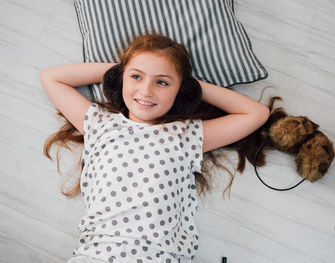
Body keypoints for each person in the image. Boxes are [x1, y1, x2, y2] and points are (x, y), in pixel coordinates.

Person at [40, 33, 270, 263]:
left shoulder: (184, 135)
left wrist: (190, 85)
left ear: (181, 91)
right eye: (136, 77)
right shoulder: (100, 123)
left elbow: (257, 114)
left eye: (162, 82)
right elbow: (51, 78)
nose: (146, 91)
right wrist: (122, 69)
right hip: (97, 255)